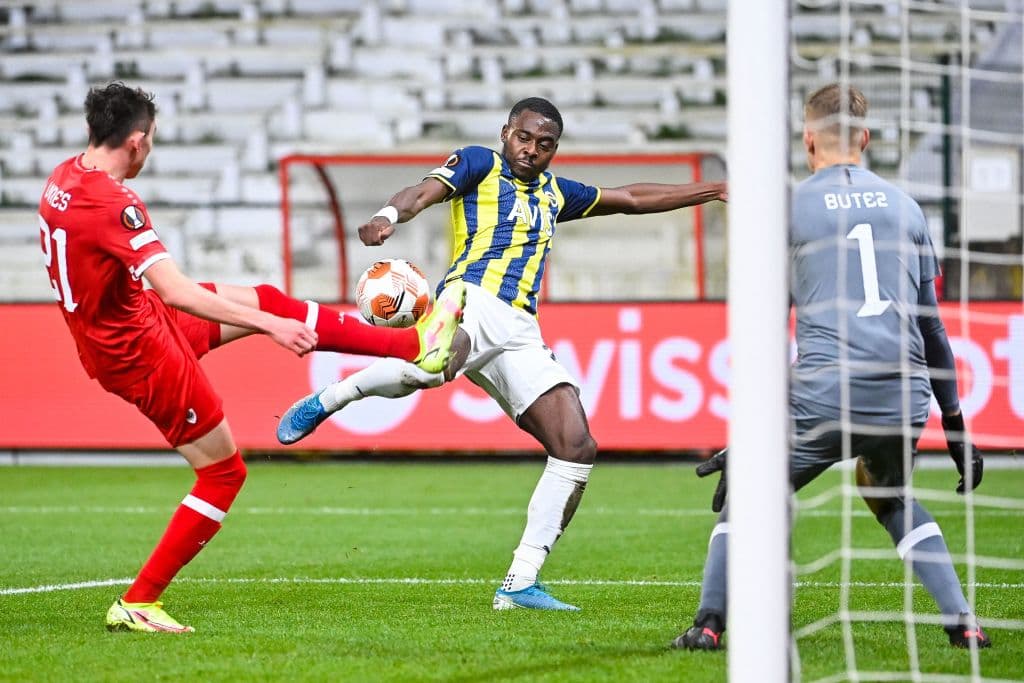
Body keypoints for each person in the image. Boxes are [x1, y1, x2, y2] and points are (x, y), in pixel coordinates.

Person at [38, 82, 465, 633]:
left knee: (268, 296)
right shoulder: (116, 203)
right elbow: (175, 290)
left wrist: (266, 316)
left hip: (133, 319)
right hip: (137, 351)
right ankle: (139, 601)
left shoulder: (62, 180)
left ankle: (413, 345)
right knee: (223, 472)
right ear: (138, 141)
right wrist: (271, 329)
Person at [277, 96, 728, 610]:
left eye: (544, 144)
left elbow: (630, 197)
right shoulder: (479, 163)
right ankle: (330, 398)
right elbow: (421, 192)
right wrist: (387, 217)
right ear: (505, 132)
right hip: (470, 299)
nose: (531, 150)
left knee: (576, 446)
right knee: (433, 368)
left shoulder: (559, 193)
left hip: (520, 329)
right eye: (524, 137)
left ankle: (519, 584)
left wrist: (713, 190)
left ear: (555, 149)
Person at [672, 83, 989, 651]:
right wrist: (957, 425)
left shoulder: (787, 207)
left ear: (807, 139)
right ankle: (963, 620)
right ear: (864, 139)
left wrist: (749, 434)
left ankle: (709, 623)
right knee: (888, 493)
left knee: (750, 492)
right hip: (903, 394)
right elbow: (932, 328)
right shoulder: (907, 207)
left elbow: (766, 331)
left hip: (823, 393)